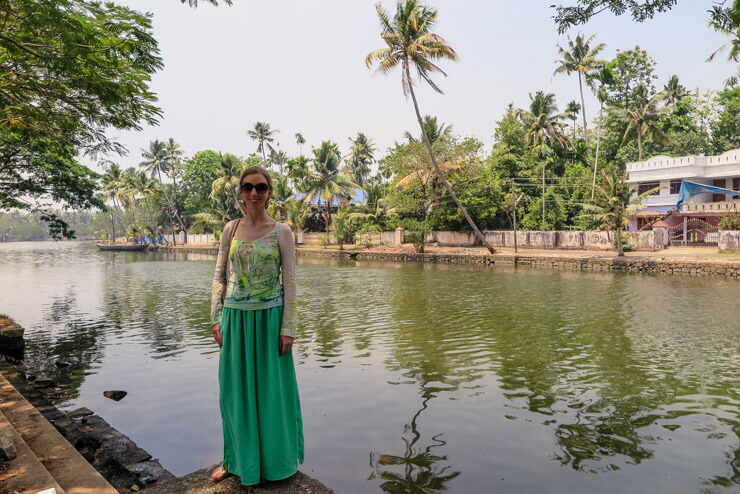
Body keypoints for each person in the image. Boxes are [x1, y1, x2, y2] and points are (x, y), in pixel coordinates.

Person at [209, 166, 304, 485]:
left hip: (270, 319)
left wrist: (288, 327)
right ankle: (235, 460)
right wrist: (216, 317)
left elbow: (289, 282)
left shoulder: (283, 231)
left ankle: (276, 464)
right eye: (248, 187)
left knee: (272, 394)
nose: (254, 193)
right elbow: (219, 276)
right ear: (240, 191)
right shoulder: (230, 230)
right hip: (235, 318)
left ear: (269, 192)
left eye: (260, 187)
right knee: (235, 393)